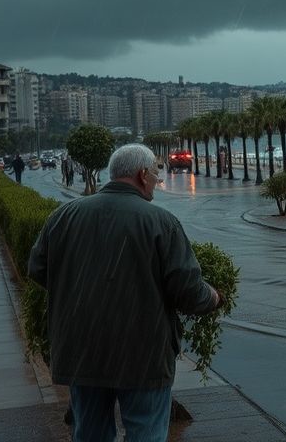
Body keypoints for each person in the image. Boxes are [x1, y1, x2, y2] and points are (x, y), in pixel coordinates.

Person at [28, 144, 222, 442]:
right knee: (146, 432)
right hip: (143, 356)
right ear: (142, 174)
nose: (158, 181)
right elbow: (187, 290)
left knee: (90, 434)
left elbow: (38, 269)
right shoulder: (160, 222)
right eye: (156, 173)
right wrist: (213, 297)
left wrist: (80, 293)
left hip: (81, 351)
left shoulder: (64, 216)